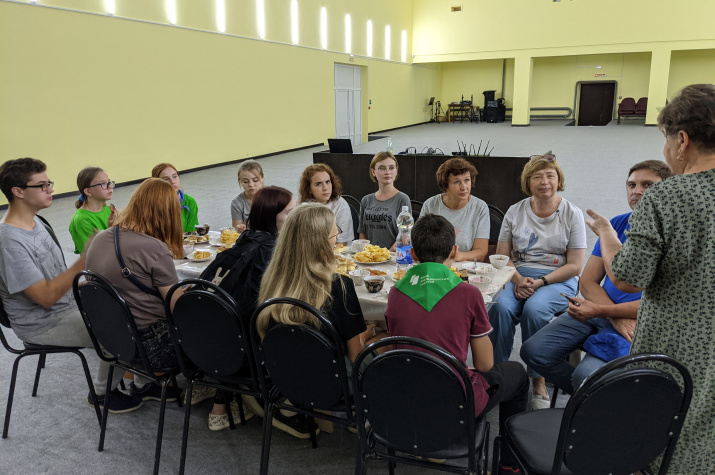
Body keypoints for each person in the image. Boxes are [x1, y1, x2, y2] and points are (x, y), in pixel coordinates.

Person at [586, 84, 715, 474]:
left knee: (664, 426)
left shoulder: (669, 196)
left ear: (682, 141)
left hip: (678, 342)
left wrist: (606, 234)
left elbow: (627, 277)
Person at [385, 214, 528, 475]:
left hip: (405, 393)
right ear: (454, 250)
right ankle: (509, 464)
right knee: (517, 374)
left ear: (413, 253)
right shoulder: (469, 293)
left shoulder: (395, 292)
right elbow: (484, 364)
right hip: (453, 399)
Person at [0, 158, 138, 413]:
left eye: (49, 183)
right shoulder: (9, 241)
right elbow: (45, 298)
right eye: (42, 185)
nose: (51, 189)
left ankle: (141, 382)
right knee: (120, 330)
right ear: (18, 192)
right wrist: (86, 257)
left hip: (67, 303)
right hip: (41, 322)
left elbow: (56, 275)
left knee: (135, 306)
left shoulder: (36, 222)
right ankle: (102, 394)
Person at [520, 160, 671, 394]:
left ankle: (594, 400)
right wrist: (609, 314)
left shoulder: (673, 234)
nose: (637, 191)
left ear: (668, 189)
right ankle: (594, 400)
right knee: (533, 352)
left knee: (585, 375)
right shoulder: (617, 224)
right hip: (601, 311)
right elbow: (588, 281)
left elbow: (662, 303)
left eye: (647, 185)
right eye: (631, 185)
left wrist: (605, 312)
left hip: (637, 322)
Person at [257, 203, 367, 437]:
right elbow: (355, 355)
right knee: (384, 345)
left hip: (286, 377)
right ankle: (363, 415)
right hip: (334, 386)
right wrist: (370, 333)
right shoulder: (339, 286)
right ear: (321, 243)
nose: (336, 240)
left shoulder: (272, 280)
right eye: (335, 235)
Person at [488, 154, 586, 409]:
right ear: (527, 182)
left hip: (557, 277)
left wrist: (540, 282)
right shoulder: (515, 211)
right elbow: (503, 256)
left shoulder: (572, 213)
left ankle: (538, 380)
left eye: (550, 176)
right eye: (537, 177)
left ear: (558, 180)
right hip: (517, 274)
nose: (544, 182)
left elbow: (575, 265)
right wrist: (519, 279)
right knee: (500, 307)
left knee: (535, 309)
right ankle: (498, 373)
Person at [198, 186, 295, 431]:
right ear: (272, 216)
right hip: (249, 343)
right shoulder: (273, 250)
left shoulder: (245, 239)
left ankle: (221, 401)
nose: (293, 216)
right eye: (289, 212)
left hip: (217, 338)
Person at [85, 178, 184, 404]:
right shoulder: (155, 248)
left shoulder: (101, 237)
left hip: (112, 336)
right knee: (212, 328)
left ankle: (143, 384)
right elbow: (178, 308)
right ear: (168, 212)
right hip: (150, 349)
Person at [419, 158, 489, 262]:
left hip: (465, 266)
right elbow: (419, 242)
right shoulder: (430, 205)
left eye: (467, 180)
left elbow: (481, 252)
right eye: (456, 182)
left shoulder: (480, 207)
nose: (463, 187)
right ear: (445, 185)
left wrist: (457, 256)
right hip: (434, 263)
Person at [357, 151, 411, 250]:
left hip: (393, 255)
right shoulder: (366, 200)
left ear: (396, 170)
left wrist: (386, 254)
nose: (387, 172)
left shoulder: (402, 199)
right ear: (373, 172)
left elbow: (405, 236)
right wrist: (367, 254)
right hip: (369, 256)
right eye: (382, 168)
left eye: (391, 168)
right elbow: (362, 233)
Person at [299, 163, 354, 243]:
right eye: (318, 184)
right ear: (309, 189)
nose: (325, 188)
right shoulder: (302, 207)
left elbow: (343, 243)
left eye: (328, 182)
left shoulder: (341, 205)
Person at [69, 166, 119, 254]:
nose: (110, 186)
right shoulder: (81, 219)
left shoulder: (109, 210)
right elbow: (94, 253)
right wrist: (112, 230)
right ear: (88, 191)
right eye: (103, 183)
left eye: (109, 182)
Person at [151, 163, 198, 233]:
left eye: (175, 176)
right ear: (156, 183)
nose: (172, 182)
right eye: (166, 179)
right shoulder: (150, 203)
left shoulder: (189, 201)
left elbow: (192, 232)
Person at [231, 159, 265, 233]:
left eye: (255, 180)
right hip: (250, 237)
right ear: (240, 181)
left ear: (262, 178)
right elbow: (236, 231)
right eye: (245, 181)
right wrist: (239, 229)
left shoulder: (274, 197)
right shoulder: (237, 202)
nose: (251, 185)